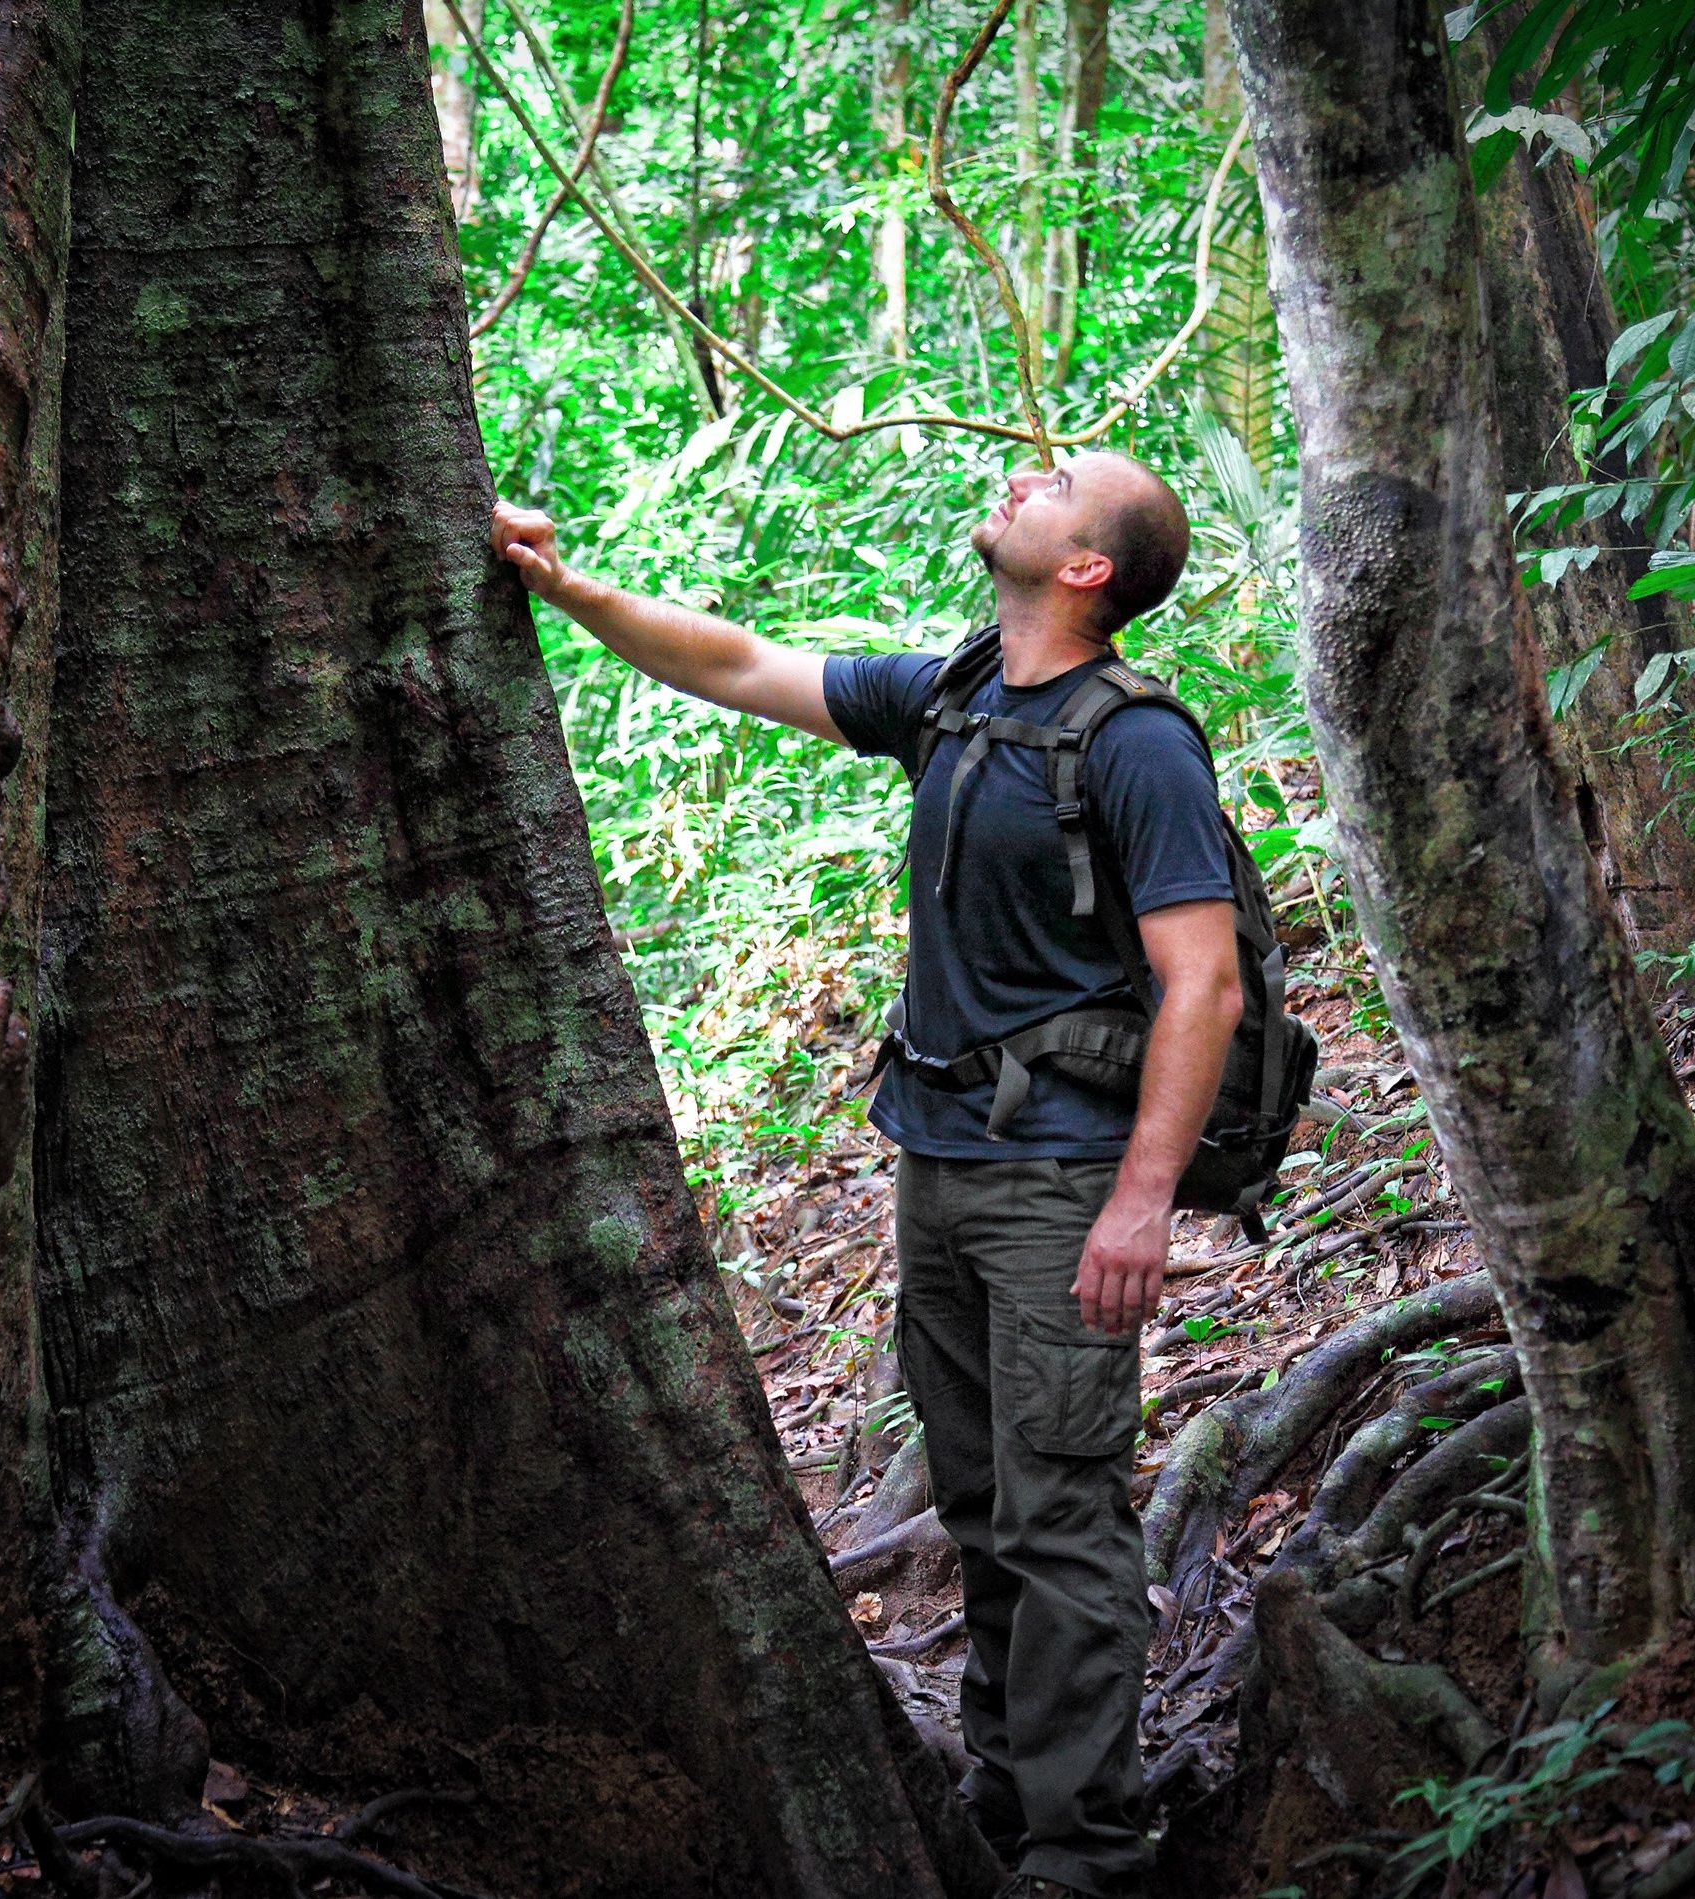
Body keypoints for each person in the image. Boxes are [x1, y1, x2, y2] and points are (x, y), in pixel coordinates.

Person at [492, 452, 1240, 1899]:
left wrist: (1142, 1198)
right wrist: (561, 585)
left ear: (1089, 570)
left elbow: (1197, 984)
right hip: (943, 1165)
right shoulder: (957, 693)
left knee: (1060, 1516)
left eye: (1061, 481)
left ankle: (1092, 1857)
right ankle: (1009, 1807)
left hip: (1063, 1186)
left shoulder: (1137, 745)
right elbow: (745, 663)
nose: (1026, 474)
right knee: (977, 1500)